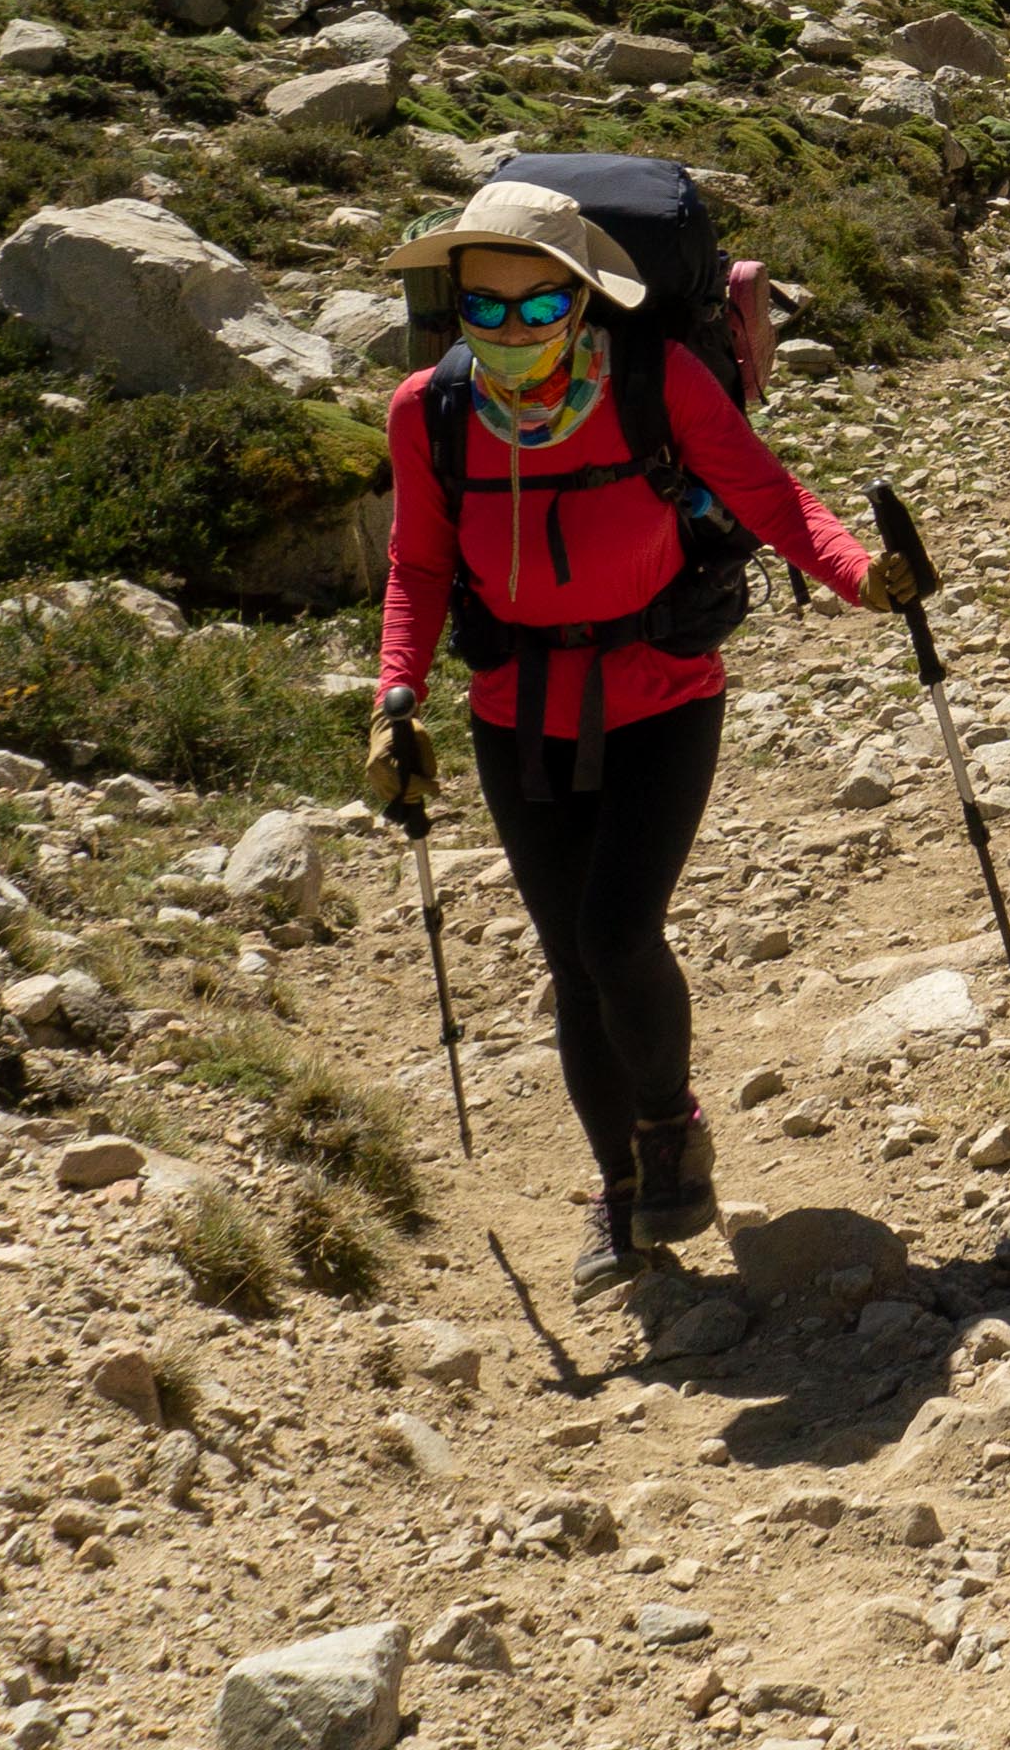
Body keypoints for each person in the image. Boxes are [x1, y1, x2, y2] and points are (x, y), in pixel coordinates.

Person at [366, 174, 873, 1293]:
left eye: (536, 308)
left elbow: (769, 497)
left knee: (613, 935)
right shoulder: (427, 411)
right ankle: (623, 1186)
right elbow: (419, 564)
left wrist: (862, 576)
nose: (507, 332)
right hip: (514, 711)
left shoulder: (659, 379)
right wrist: (394, 699)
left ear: (585, 301)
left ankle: (669, 1123)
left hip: (663, 692)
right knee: (570, 964)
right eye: (482, 310)